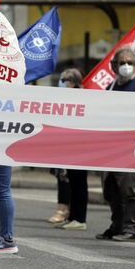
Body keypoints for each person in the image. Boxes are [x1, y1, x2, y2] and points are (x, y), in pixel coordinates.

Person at [96, 48, 135, 243]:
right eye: (122, 62)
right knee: (111, 190)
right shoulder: (110, 87)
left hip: (131, 148)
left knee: (130, 190)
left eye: (130, 62)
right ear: (113, 66)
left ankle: (132, 229)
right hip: (111, 148)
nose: (126, 66)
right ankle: (117, 225)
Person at [55, 68, 89, 231]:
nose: (62, 83)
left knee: (79, 183)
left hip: (81, 146)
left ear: (74, 82)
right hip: (70, 145)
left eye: (65, 80)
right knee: (72, 183)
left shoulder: (82, 97)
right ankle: (72, 216)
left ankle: (80, 218)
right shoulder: (67, 97)